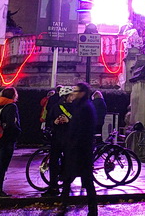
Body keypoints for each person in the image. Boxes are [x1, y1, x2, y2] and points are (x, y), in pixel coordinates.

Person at [59, 83, 98, 216]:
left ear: (82, 92)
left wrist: (72, 144)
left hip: (80, 151)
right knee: (73, 180)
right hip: (77, 150)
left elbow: (83, 131)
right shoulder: (80, 106)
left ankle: (65, 206)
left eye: (76, 91)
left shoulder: (85, 107)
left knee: (82, 180)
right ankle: (65, 205)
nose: (74, 93)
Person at [0, 87, 21, 198]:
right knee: (3, 166)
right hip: (7, 139)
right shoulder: (11, 106)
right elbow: (11, 124)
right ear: (13, 95)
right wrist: (18, 132)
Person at [43, 86, 73, 196]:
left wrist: (68, 121)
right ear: (66, 96)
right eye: (71, 95)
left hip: (63, 138)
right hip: (61, 138)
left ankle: (60, 188)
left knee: (62, 163)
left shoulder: (73, 107)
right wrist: (54, 122)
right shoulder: (57, 107)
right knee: (57, 163)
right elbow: (49, 121)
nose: (72, 97)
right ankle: (56, 187)